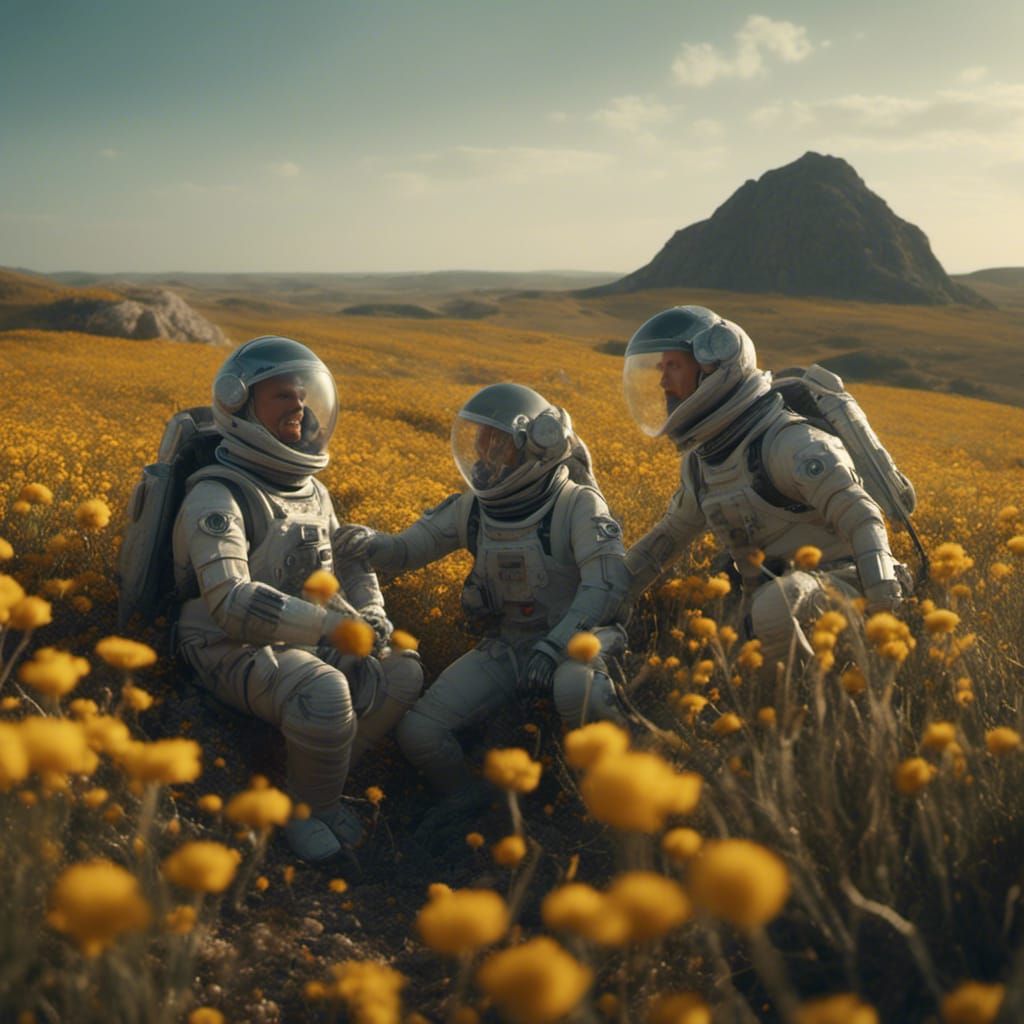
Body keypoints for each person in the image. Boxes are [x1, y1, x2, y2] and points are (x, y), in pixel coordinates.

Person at [171, 335, 423, 864]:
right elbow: (232, 602)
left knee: (403, 670)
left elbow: (344, 561)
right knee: (326, 690)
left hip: (301, 634)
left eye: (303, 395)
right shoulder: (218, 494)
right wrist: (330, 631)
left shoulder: (312, 490)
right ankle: (309, 809)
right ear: (241, 405)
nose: (300, 406)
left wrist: (370, 615)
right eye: (283, 396)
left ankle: (315, 786)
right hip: (222, 641)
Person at [336, 383, 631, 820]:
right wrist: (370, 542)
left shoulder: (576, 504)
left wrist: (554, 649)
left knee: (575, 686)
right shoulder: (474, 509)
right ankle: (469, 797)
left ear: (536, 446)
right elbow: (407, 551)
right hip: (509, 647)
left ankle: (615, 790)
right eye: (479, 441)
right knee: (420, 732)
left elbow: (605, 586)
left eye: (497, 445)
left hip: (579, 642)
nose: (484, 456)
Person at [622, 306, 904, 665]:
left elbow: (862, 516)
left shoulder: (790, 443)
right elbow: (661, 546)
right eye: (662, 369)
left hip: (848, 585)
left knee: (773, 607)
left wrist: (883, 610)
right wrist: (601, 596)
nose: (664, 383)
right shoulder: (701, 465)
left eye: (673, 366)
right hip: (772, 601)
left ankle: (818, 698)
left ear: (712, 366)